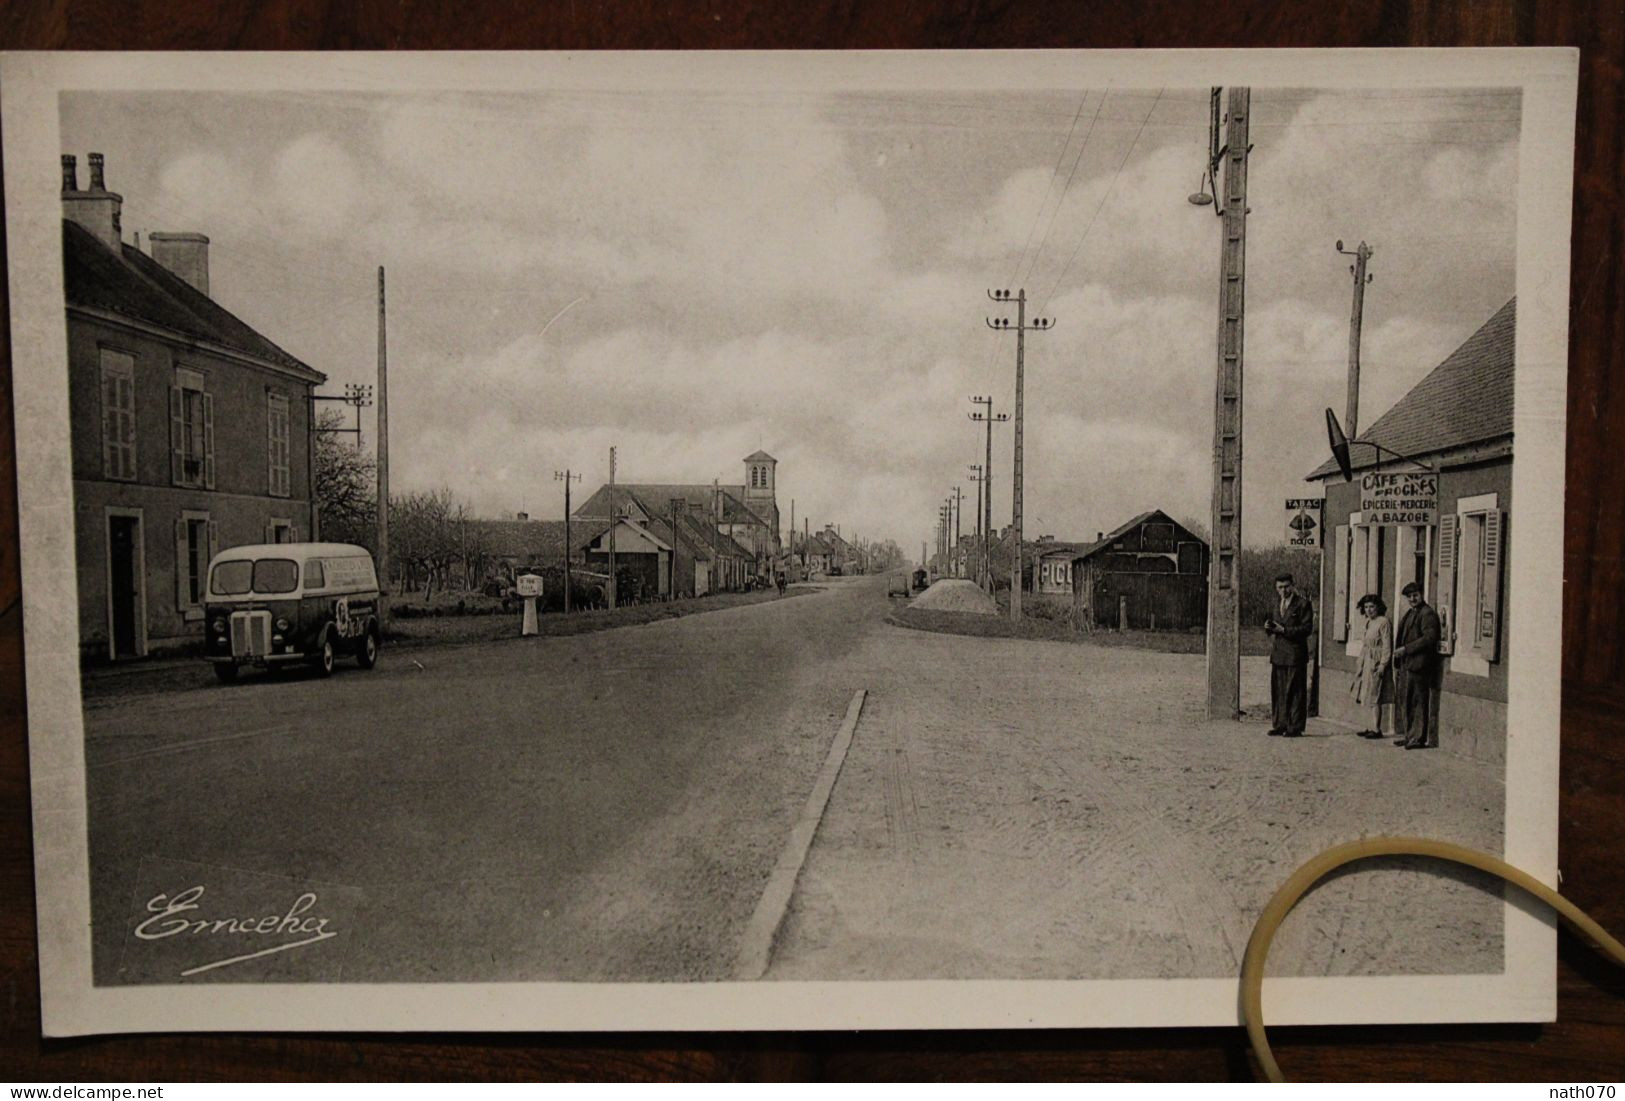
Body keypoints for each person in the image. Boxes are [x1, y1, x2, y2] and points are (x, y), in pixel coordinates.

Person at [1264, 572, 1315, 738]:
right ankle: (1279, 724)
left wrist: (1284, 630)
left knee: (1295, 691)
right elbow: (1273, 625)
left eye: (1286, 586)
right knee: (1278, 691)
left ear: (1292, 585)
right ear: (1276, 588)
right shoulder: (1275, 603)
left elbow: (1306, 629)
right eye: (1280, 587)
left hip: (1295, 655)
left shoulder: (1303, 604)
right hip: (1278, 655)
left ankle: (1295, 727)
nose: (1283, 590)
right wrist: (1268, 627)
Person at [1393, 580, 1442, 749]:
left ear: (1421, 595)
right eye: (1409, 596)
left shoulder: (1427, 614)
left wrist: (1406, 649)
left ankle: (1418, 738)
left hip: (1420, 664)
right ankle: (1409, 735)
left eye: (1415, 595)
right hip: (1407, 664)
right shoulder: (1410, 614)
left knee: (1418, 701)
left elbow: (1429, 638)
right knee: (1406, 700)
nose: (1413, 599)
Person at [1349, 594, 1393, 739]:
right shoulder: (1369, 623)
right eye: (1366, 607)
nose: (1369, 610)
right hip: (1367, 660)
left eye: (1372, 607)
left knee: (1375, 695)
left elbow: (1387, 645)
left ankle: (1377, 729)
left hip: (1376, 661)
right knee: (1366, 693)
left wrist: (1383, 664)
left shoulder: (1383, 622)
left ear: (1378, 607)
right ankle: (1369, 726)